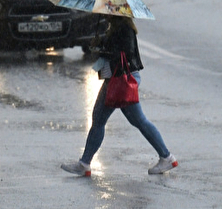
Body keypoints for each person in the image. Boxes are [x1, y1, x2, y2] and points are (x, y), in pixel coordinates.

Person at [61, 14, 177, 176]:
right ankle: (166, 157)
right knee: (133, 120)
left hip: (121, 80)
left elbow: (124, 53)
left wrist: (104, 49)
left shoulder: (125, 29)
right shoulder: (115, 27)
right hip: (117, 78)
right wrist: (99, 44)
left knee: (103, 119)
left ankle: (84, 163)